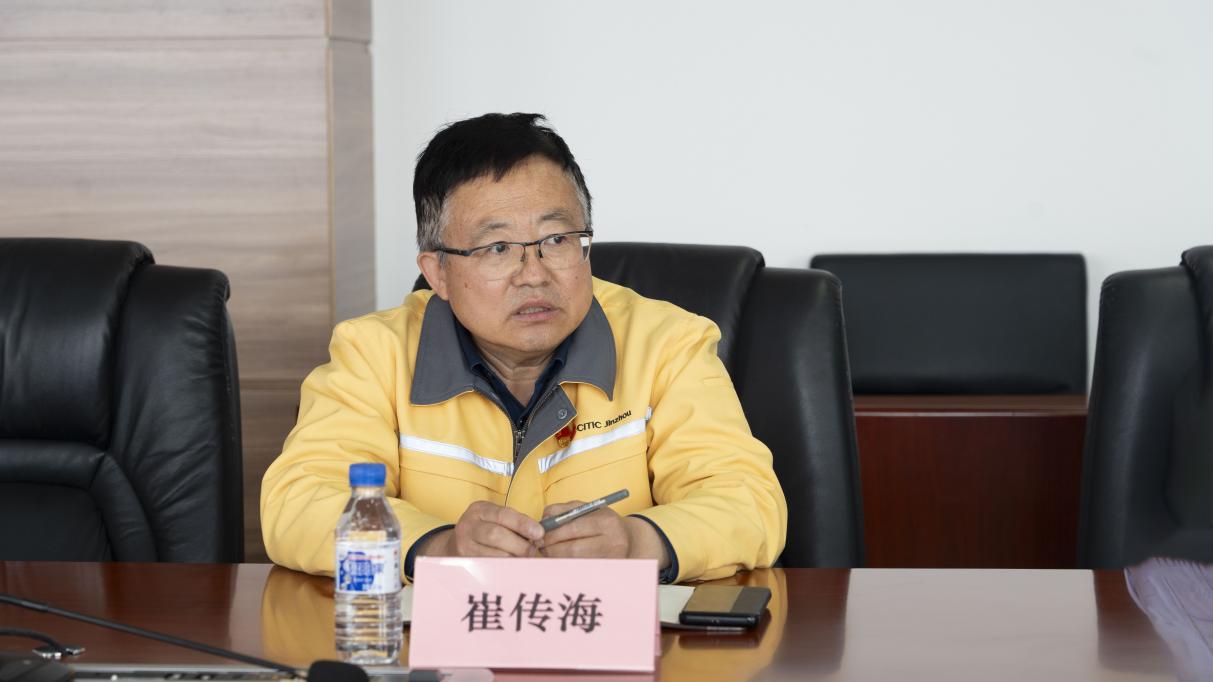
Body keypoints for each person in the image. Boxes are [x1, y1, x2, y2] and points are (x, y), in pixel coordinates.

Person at [261, 113, 787, 583]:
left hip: (611, 640)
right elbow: (299, 502)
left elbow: (748, 502)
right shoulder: (376, 354)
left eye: (557, 240)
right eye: (497, 248)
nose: (534, 275)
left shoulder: (666, 343)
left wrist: (637, 543)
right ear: (437, 271)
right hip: (449, 644)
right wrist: (437, 548)